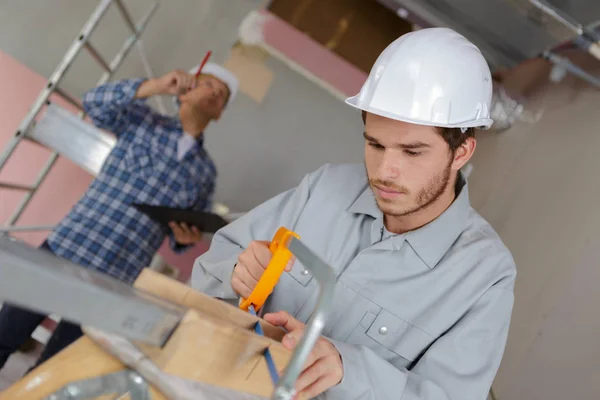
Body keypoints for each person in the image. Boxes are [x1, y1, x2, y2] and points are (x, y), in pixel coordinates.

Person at [192, 28, 516, 400]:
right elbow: (210, 271)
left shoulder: (485, 275)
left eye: (412, 152)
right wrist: (235, 272)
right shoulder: (325, 188)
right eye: (375, 144)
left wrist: (348, 370)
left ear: (461, 153)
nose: (385, 171)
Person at [0, 63, 239, 371]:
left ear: (219, 114)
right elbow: (93, 103)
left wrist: (184, 239)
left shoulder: (205, 172)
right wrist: (154, 86)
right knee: (5, 334)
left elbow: (184, 235)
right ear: (187, 88)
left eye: (222, 97)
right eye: (209, 85)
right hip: (69, 247)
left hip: (117, 276)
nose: (214, 95)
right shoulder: (142, 121)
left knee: (57, 368)